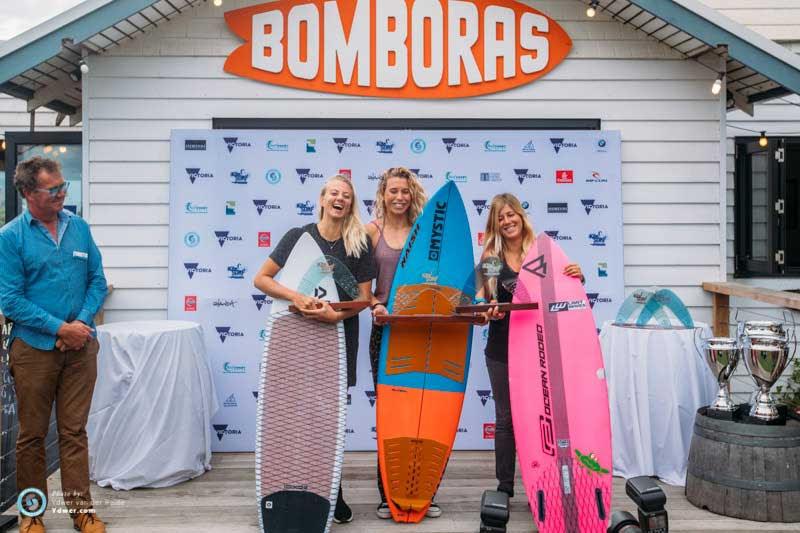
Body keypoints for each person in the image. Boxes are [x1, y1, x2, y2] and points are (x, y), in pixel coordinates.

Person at [253, 174, 375, 524]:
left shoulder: (359, 245)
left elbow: (364, 299)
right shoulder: (298, 237)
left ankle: (331, 495)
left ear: (351, 204)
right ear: (322, 199)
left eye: (346, 196)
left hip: (336, 340)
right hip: (295, 340)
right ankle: (291, 488)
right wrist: (298, 297)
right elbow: (261, 278)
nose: (339, 199)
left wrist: (334, 315)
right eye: (334, 193)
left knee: (328, 420)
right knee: (294, 418)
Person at [0, 157, 108, 533]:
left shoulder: (79, 228)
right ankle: (32, 513)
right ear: (29, 193)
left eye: (63, 185)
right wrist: (60, 329)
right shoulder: (11, 237)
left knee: (74, 432)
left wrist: (79, 324)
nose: (63, 192)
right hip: (33, 351)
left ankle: (81, 511)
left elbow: (97, 280)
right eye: (54, 188)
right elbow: (10, 300)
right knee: (31, 436)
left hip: (81, 348)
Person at [477, 193, 583, 498]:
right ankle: (505, 489)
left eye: (512, 214)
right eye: (501, 217)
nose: (508, 221)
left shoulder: (539, 252)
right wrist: (487, 309)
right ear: (494, 224)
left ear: (521, 217)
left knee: (545, 416)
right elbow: (483, 300)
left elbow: (562, 294)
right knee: (506, 419)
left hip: (541, 348)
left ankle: (547, 485)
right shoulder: (491, 259)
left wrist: (577, 275)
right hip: (501, 349)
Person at [366, 167, 444, 519]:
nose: (399, 197)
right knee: (390, 414)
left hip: (421, 332)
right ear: (383, 194)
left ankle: (423, 491)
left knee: (424, 414)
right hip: (385, 330)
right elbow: (361, 286)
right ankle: (388, 493)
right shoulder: (371, 233)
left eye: (405, 191)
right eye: (393, 190)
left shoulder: (423, 233)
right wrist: (374, 305)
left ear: (413, 195)